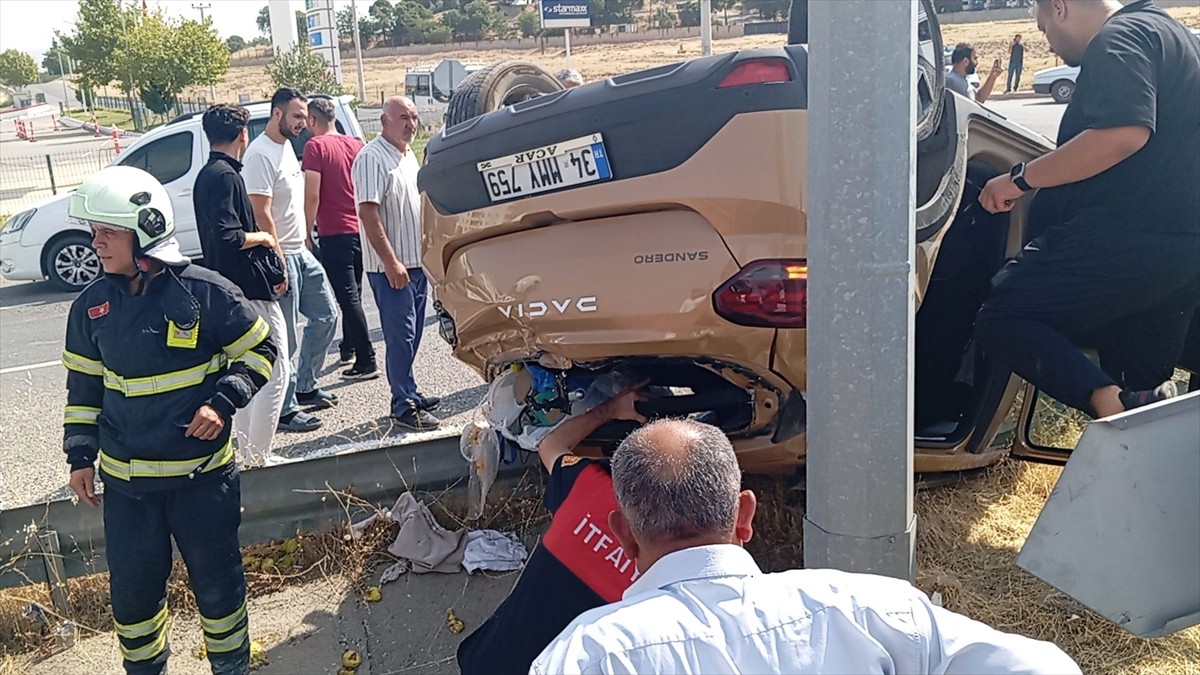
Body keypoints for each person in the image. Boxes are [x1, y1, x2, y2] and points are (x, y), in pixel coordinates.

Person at [532, 419, 1084, 675]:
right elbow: (1038, 668)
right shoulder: (875, 608)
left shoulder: (589, 656)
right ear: (745, 516)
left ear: (623, 533)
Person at [62, 165, 278, 675]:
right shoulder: (90, 307)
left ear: (144, 233)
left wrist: (223, 402)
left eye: (107, 232)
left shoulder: (206, 292)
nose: (96, 243)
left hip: (202, 483)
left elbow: (261, 349)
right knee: (134, 599)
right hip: (128, 490)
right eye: (94, 233)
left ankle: (231, 668)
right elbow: (83, 391)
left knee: (219, 587)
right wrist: (79, 456)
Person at [975, 0, 1200, 419]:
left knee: (1004, 316)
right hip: (1181, 250)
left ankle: (1108, 407)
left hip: (1127, 239)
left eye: (1044, 30)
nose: (1051, 45)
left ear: (1059, 7)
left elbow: (1121, 135)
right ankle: (1136, 420)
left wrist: (1018, 179)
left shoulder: (1119, 38)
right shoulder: (1176, 38)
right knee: (1141, 383)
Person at [458, 385, 648, 675]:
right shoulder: (674, 561)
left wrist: (611, 409)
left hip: (486, 662)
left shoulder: (587, 484)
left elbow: (551, 444)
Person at [195, 103, 291, 466]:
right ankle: (258, 456)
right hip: (248, 290)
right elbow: (227, 235)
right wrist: (265, 239)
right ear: (242, 135)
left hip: (226, 288)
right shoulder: (226, 176)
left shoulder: (208, 173)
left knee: (247, 368)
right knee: (275, 368)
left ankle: (250, 452)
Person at [243, 87, 341, 433]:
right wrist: (278, 259)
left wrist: (305, 241)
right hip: (280, 255)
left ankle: (306, 385)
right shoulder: (259, 155)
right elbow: (261, 213)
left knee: (327, 315)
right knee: (286, 339)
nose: (304, 123)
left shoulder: (286, 148)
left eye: (306, 117)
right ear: (277, 114)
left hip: (301, 250)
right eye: (298, 116)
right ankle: (283, 411)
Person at [351, 96, 441, 431]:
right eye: (403, 117)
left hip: (416, 263)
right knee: (400, 336)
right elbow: (368, 212)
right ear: (384, 120)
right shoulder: (371, 158)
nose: (411, 124)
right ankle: (403, 405)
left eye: (414, 117)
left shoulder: (406, 157)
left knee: (414, 333)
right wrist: (391, 262)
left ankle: (410, 392)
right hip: (391, 267)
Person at [301, 97, 378, 381]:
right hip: (359, 227)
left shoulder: (315, 147)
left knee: (346, 297)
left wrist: (306, 230)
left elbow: (312, 194)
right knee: (354, 291)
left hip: (335, 231)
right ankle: (349, 346)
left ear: (312, 120)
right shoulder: (356, 143)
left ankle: (366, 359)